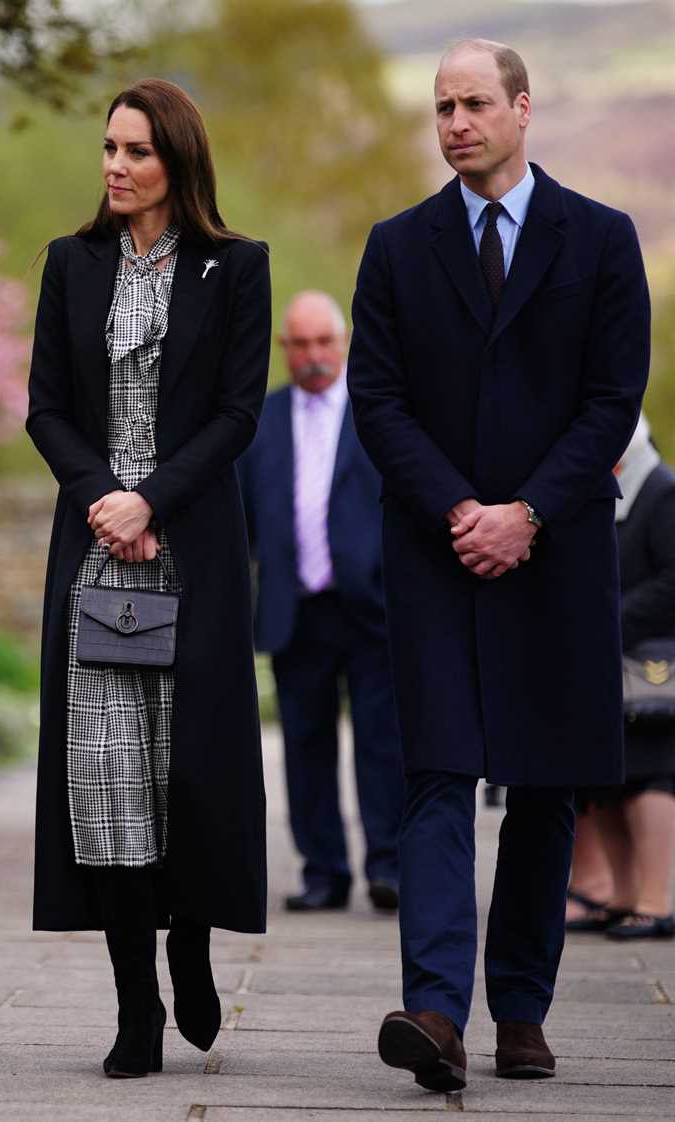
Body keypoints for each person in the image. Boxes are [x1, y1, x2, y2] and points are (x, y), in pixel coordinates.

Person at [346, 39, 649, 1092]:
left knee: (543, 785)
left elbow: (611, 401)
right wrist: (459, 510)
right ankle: (433, 1011)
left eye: (475, 103)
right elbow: (375, 401)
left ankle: (519, 1010)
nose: (456, 122)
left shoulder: (601, 240)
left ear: (523, 108)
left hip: (556, 554)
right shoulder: (394, 247)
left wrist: (524, 511)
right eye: (441, 107)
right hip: (433, 554)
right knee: (431, 773)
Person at [27, 77, 270, 1079]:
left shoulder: (234, 266)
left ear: (176, 161)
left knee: (188, 775)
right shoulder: (69, 264)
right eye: (107, 148)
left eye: (135, 151)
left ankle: (191, 943)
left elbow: (235, 414)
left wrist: (152, 499)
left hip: (192, 556)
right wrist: (102, 497)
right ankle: (135, 1011)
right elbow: (43, 407)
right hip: (93, 556)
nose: (114, 166)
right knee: (106, 784)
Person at [236, 290, 403, 915]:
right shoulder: (260, 419)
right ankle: (322, 872)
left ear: (344, 342)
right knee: (304, 744)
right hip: (293, 606)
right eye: (300, 344)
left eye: (323, 342)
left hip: (371, 607)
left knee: (383, 742)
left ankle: (388, 866)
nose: (313, 356)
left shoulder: (379, 412)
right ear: (284, 349)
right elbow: (243, 512)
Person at [566, 414, 675, 941]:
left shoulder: (660, 489)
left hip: (649, 666)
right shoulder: (613, 494)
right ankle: (625, 896)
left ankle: (657, 901)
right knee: (608, 783)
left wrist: (610, 615)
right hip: (607, 662)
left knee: (650, 781)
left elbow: (670, 580)